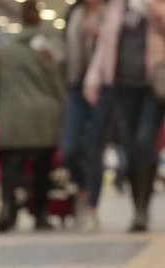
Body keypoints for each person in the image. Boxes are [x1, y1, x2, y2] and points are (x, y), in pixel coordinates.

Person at [84, 0, 165, 232]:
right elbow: (106, 43)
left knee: (145, 141)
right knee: (130, 147)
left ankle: (143, 208)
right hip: (124, 84)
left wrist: (156, 10)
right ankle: (137, 208)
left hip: (157, 84)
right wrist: (94, 77)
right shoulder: (119, 4)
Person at [0, 0, 65, 233]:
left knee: (11, 169)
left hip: (13, 117)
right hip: (44, 117)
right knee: (42, 170)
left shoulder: (5, 51)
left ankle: (7, 209)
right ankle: (40, 214)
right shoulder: (48, 51)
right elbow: (58, 82)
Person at [61, 0, 111, 233]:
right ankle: (82, 188)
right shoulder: (76, 13)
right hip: (75, 87)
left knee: (93, 149)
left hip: (102, 88)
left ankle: (92, 207)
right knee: (69, 147)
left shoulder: (111, 13)